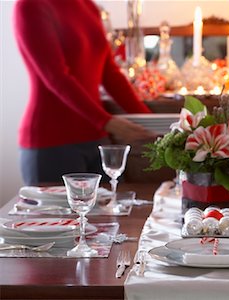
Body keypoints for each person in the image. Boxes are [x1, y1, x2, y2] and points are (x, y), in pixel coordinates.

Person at [13, 0, 156, 185]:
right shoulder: (30, 6)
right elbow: (56, 77)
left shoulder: (87, 6)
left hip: (97, 138)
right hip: (52, 141)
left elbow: (109, 73)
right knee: (61, 214)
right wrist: (107, 122)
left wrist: (152, 124)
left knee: (112, 212)